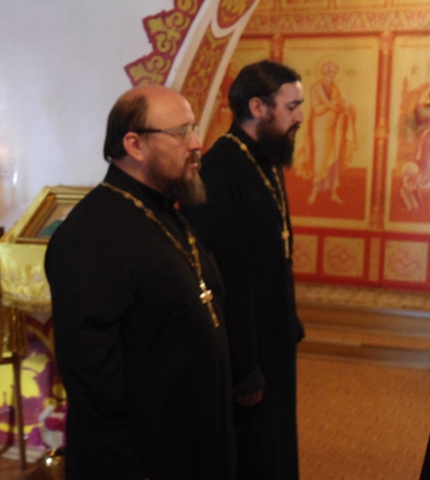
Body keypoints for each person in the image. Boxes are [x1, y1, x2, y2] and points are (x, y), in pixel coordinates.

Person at [44, 85, 235, 480]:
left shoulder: (165, 211)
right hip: (141, 460)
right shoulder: (90, 235)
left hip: (192, 440)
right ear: (135, 145)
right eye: (181, 132)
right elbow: (92, 382)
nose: (196, 143)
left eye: (194, 129)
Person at [185, 59, 306, 480]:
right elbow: (225, 278)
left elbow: (273, 252)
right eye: (291, 107)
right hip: (246, 348)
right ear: (257, 106)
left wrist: (288, 321)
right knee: (253, 454)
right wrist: (243, 367)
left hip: (273, 337)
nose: (299, 118)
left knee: (278, 444)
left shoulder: (265, 158)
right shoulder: (220, 169)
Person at [297, 60, 357, 205]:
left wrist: (345, 107)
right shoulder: (315, 88)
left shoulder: (334, 87)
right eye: (331, 72)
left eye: (335, 73)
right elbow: (317, 109)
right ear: (324, 73)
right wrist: (331, 105)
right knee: (320, 159)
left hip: (335, 128)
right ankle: (314, 192)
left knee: (334, 159)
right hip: (320, 128)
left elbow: (339, 104)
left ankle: (334, 193)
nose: (333, 75)